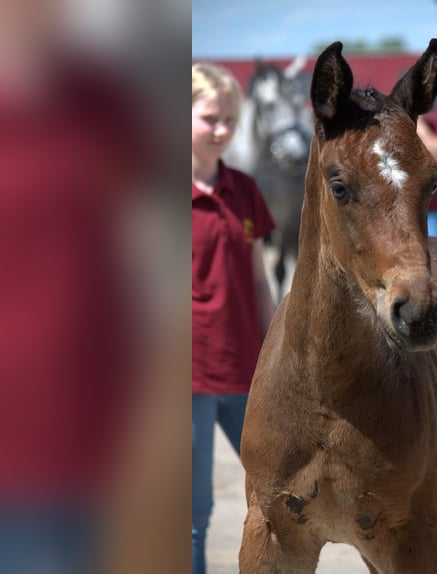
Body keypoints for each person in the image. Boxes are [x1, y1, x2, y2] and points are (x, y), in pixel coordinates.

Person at [192, 62, 276, 574]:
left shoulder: (244, 190)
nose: (222, 129)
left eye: (229, 119)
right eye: (209, 118)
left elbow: (261, 280)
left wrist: (275, 355)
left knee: (280, 497)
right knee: (192, 514)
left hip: (247, 373)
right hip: (186, 380)